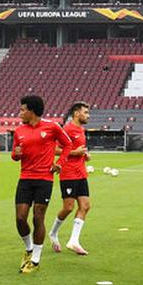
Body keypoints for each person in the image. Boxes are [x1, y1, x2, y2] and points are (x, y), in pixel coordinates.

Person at [12, 95, 72, 273]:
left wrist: (60, 163)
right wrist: (16, 153)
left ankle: (36, 260)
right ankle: (29, 248)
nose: (20, 113)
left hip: (44, 179)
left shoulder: (52, 126)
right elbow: (15, 157)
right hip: (25, 178)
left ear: (32, 110)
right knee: (20, 218)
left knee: (38, 217)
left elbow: (68, 145)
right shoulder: (19, 131)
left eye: (23, 109)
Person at [51, 102, 92, 255]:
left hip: (81, 173)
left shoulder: (81, 130)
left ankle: (74, 241)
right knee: (68, 208)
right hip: (68, 173)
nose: (88, 115)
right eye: (85, 112)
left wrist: (85, 155)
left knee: (85, 206)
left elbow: (78, 150)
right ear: (76, 114)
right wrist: (75, 152)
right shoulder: (67, 129)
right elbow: (54, 149)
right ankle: (53, 233)